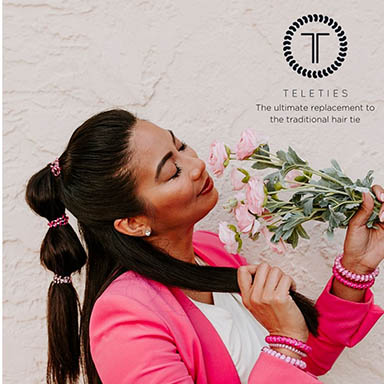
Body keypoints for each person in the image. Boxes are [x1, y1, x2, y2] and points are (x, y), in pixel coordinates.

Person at [25, 109, 384, 384]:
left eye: (179, 145)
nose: (196, 165)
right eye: (172, 172)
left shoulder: (211, 252)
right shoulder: (125, 319)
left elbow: (305, 360)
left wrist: (355, 269)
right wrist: (284, 341)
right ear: (133, 222)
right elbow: (288, 353)